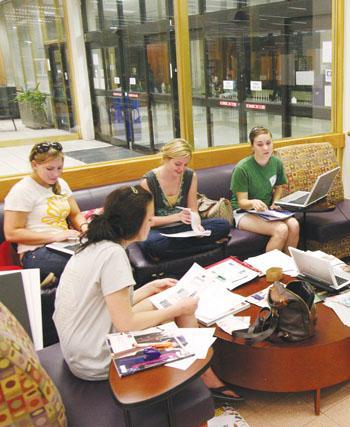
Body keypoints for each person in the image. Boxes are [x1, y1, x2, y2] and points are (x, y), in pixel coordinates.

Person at [53, 185, 242, 401]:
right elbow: (126, 323)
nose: (151, 222)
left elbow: (107, 304)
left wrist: (150, 288)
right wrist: (178, 309)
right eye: (149, 218)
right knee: (180, 308)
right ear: (134, 223)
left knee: (162, 300)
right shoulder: (113, 255)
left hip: (80, 346)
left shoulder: (94, 243)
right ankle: (207, 380)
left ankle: (204, 375)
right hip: (95, 359)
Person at [4, 141, 87, 284]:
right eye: (49, 169)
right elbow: (12, 233)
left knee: (108, 252)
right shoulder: (22, 190)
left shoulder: (61, 184)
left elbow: (75, 214)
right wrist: (55, 236)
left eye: (59, 168)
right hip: (36, 252)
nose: (55, 174)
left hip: (65, 243)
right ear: (34, 165)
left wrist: (85, 228)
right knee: (89, 264)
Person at [139, 138, 230, 260]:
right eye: (177, 164)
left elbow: (193, 210)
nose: (181, 169)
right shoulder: (148, 182)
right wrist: (177, 217)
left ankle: (171, 253)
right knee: (150, 243)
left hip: (184, 228)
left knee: (223, 225)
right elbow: (149, 221)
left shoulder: (190, 176)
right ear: (166, 159)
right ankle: (212, 246)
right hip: (160, 231)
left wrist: (196, 226)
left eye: (185, 165)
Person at [230, 126, 299, 254]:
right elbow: (241, 202)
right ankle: (269, 270)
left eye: (268, 143)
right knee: (281, 229)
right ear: (252, 146)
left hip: (266, 210)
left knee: (294, 225)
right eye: (260, 144)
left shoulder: (276, 163)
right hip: (243, 213)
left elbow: (279, 186)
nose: (266, 148)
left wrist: (275, 202)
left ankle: (287, 269)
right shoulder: (242, 168)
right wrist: (253, 202)